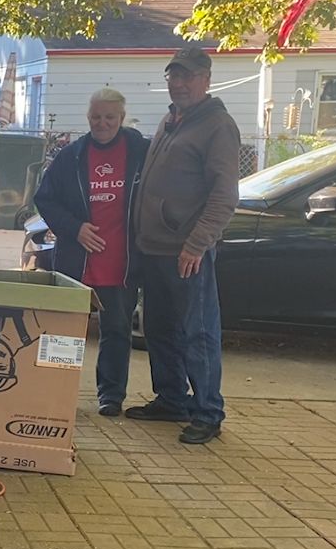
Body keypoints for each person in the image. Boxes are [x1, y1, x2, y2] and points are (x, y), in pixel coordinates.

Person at [127, 47, 240, 444]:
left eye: (187, 76)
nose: (178, 83)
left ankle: (208, 411)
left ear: (206, 79)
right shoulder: (171, 120)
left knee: (199, 333)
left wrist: (197, 244)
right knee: (160, 329)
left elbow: (224, 195)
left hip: (187, 252)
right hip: (155, 248)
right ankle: (172, 399)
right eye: (173, 76)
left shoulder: (217, 126)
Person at [33, 87, 149, 417]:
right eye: (96, 117)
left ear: (122, 119)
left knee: (116, 332)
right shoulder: (72, 156)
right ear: (88, 118)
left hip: (122, 264)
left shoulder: (141, 152)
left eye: (109, 117)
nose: (102, 123)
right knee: (65, 332)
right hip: (77, 262)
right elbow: (44, 198)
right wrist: (75, 228)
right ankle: (56, 393)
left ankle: (111, 396)